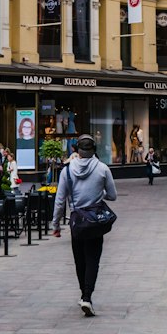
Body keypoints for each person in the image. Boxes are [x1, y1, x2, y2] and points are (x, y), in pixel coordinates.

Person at [51, 133, 118, 316]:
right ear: (94, 150)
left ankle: (84, 294)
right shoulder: (103, 169)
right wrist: (98, 192)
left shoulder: (67, 171)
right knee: (93, 260)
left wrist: (55, 225)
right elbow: (112, 195)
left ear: (77, 151)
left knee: (79, 260)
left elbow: (60, 200)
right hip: (95, 220)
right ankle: (87, 296)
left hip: (77, 222)